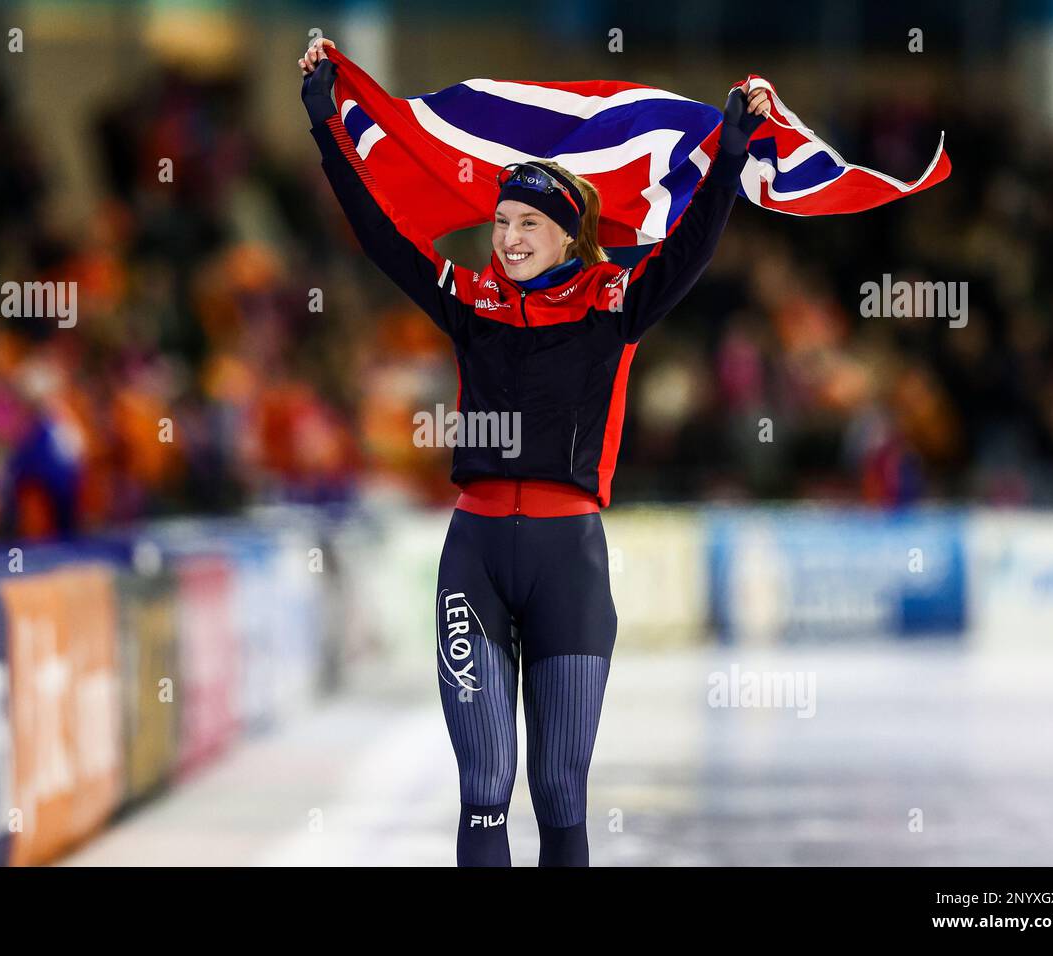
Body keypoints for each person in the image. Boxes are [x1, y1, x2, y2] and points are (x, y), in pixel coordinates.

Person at [299, 36, 769, 866]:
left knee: (557, 792)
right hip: (473, 555)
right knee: (484, 788)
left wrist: (728, 156)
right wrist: (326, 124)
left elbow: (690, 250)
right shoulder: (468, 300)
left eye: (528, 225)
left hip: (568, 564)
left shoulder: (614, 303)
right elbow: (378, 235)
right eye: (501, 223)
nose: (509, 240)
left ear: (567, 236)